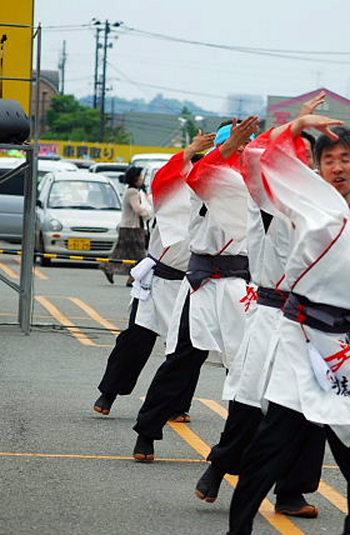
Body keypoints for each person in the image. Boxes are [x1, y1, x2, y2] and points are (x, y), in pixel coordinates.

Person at [227, 117, 350, 535]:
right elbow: (257, 162)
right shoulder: (296, 206)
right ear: (316, 170)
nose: (338, 167)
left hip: (345, 345)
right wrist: (298, 123)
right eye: (328, 160)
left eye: (346, 159)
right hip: (299, 336)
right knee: (272, 440)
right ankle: (238, 528)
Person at [196, 94, 329, 519]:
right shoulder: (267, 199)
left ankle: (291, 492)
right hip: (274, 314)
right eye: (296, 158)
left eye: (308, 161)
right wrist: (292, 125)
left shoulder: (326, 207)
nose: (302, 167)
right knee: (251, 403)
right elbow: (256, 157)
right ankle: (219, 466)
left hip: (315, 320)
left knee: (310, 410)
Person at [131, 118, 258, 462]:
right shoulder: (203, 176)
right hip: (203, 283)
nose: (242, 150)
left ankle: (235, 445)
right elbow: (193, 175)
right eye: (235, 144)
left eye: (246, 144)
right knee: (182, 360)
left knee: (246, 366)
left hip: (241, 283)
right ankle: (147, 431)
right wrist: (226, 148)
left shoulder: (254, 182)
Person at [93, 132, 215, 417]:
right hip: (159, 279)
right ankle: (108, 392)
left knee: (189, 351)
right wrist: (188, 152)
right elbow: (166, 176)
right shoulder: (171, 195)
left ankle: (177, 405)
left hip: (191, 285)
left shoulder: (215, 198)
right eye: (195, 167)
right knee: (135, 341)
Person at [101, 166, 154, 285]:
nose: (142, 179)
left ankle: (111, 268)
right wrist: (150, 213)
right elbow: (138, 209)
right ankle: (131, 277)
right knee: (139, 254)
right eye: (140, 177)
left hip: (131, 227)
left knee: (124, 253)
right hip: (132, 228)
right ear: (135, 179)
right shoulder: (132, 192)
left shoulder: (135, 191)